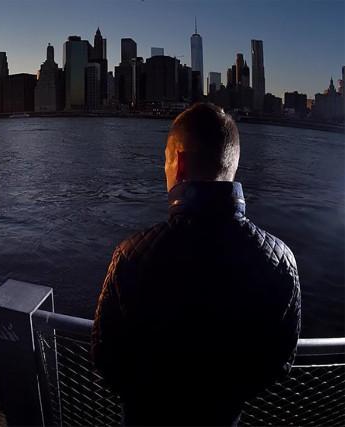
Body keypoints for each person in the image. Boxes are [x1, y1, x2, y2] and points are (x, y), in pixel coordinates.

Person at [91, 103, 301, 426]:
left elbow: (105, 357)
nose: (164, 170)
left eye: (165, 160)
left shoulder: (130, 256)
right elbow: (279, 361)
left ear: (180, 163)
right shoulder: (281, 262)